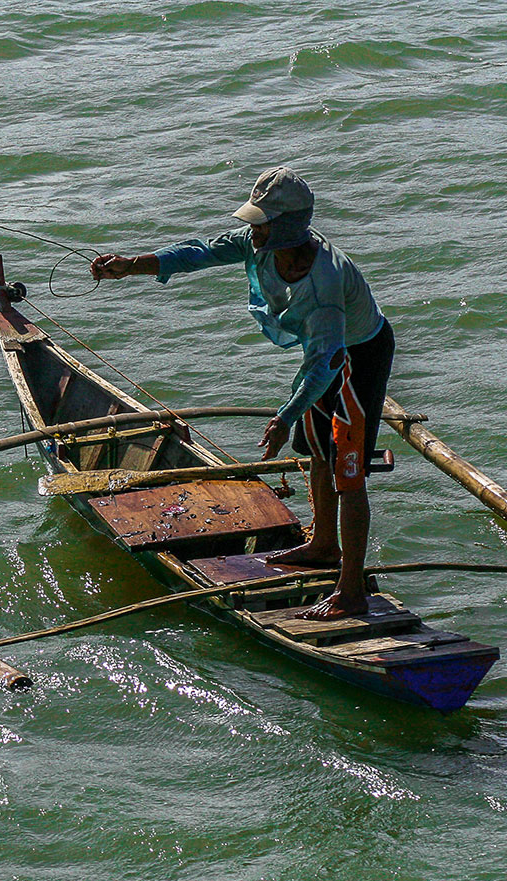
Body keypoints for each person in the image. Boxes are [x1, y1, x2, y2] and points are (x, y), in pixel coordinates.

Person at [89, 166, 394, 619]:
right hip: (326, 355)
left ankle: (351, 590)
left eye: (262, 221)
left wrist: (285, 415)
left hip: (355, 357)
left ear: (288, 225)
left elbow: (326, 362)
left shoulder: (325, 281)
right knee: (316, 451)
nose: (253, 229)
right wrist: (134, 264)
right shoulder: (260, 246)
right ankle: (324, 545)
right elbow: (199, 252)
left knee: (347, 471)